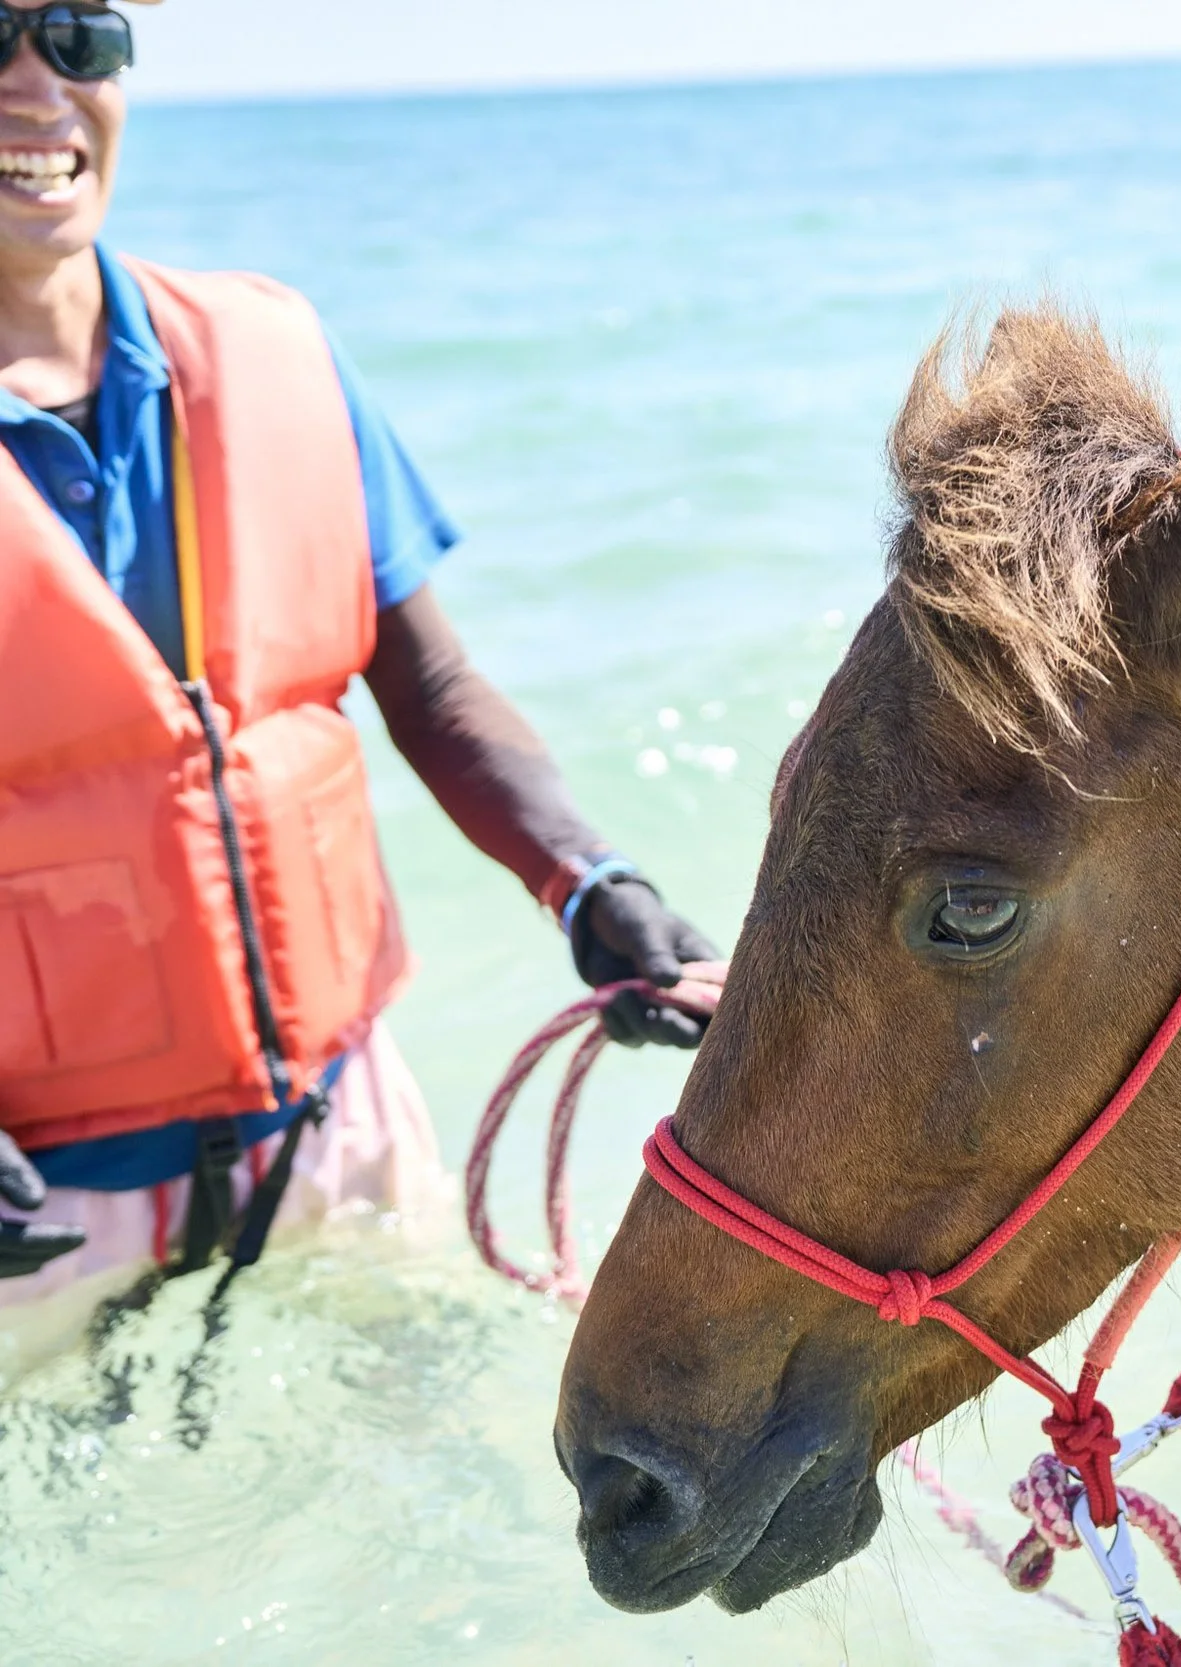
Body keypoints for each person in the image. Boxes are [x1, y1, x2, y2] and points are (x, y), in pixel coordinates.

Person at [0, 1, 718, 1308]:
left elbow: (431, 689)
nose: (40, 85)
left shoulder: (272, 353)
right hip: (39, 1207)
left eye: (78, 34)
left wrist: (589, 883)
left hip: (343, 1132)